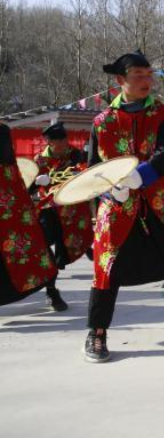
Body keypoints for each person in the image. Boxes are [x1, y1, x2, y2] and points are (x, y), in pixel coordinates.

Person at [84, 50, 164, 363]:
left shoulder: (163, 115)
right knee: (107, 265)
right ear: (121, 81)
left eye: (149, 75)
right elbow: (93, 168)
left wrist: (141, 176)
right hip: (117, 202)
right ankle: (97, 330)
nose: (145, 81)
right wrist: (110, 193)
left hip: (158, 198)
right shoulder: (102, 122)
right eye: (138, 75)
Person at [31, 121, 94, 310]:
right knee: (43, 245)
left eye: (64, 139)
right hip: (49, 209)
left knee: (75, 240)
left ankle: (53, 290)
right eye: (58, 141)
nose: (63, 144)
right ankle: (51, 290)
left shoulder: (75, 155)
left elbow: (85, 174)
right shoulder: (39, 161)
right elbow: (29, 187)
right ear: (49, 143)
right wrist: (37, 182)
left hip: (73, 208)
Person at [0, 123, 60, 309]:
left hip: (16, 212)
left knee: (37, 249)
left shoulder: (2, 132)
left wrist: (33, 185)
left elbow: (16, 180)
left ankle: (52, 292)